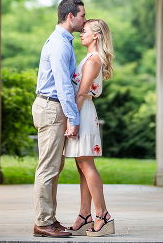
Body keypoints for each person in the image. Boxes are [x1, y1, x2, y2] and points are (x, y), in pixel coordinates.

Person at [33, 0, 86, 238]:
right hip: (52, 107)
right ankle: (43, 223)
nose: (84, 20)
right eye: (82, 15)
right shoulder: (60, 44)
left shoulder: (63, 41)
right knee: (48, 167)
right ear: (70, 16)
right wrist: (72, 118)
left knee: (54, 166)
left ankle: (49, 219)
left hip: (54, 107)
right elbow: (64, 86)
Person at [64, 18, 116, 237]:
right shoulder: (88, 57)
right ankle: (85, 215)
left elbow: (81, 93)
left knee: (87, 165)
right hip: (82, 111)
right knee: (81, 166)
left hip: (82, 113)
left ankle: (102, 215)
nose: (80, 33)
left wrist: (71, 119)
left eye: (84, 31)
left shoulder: (93, 60)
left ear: (96, 35)